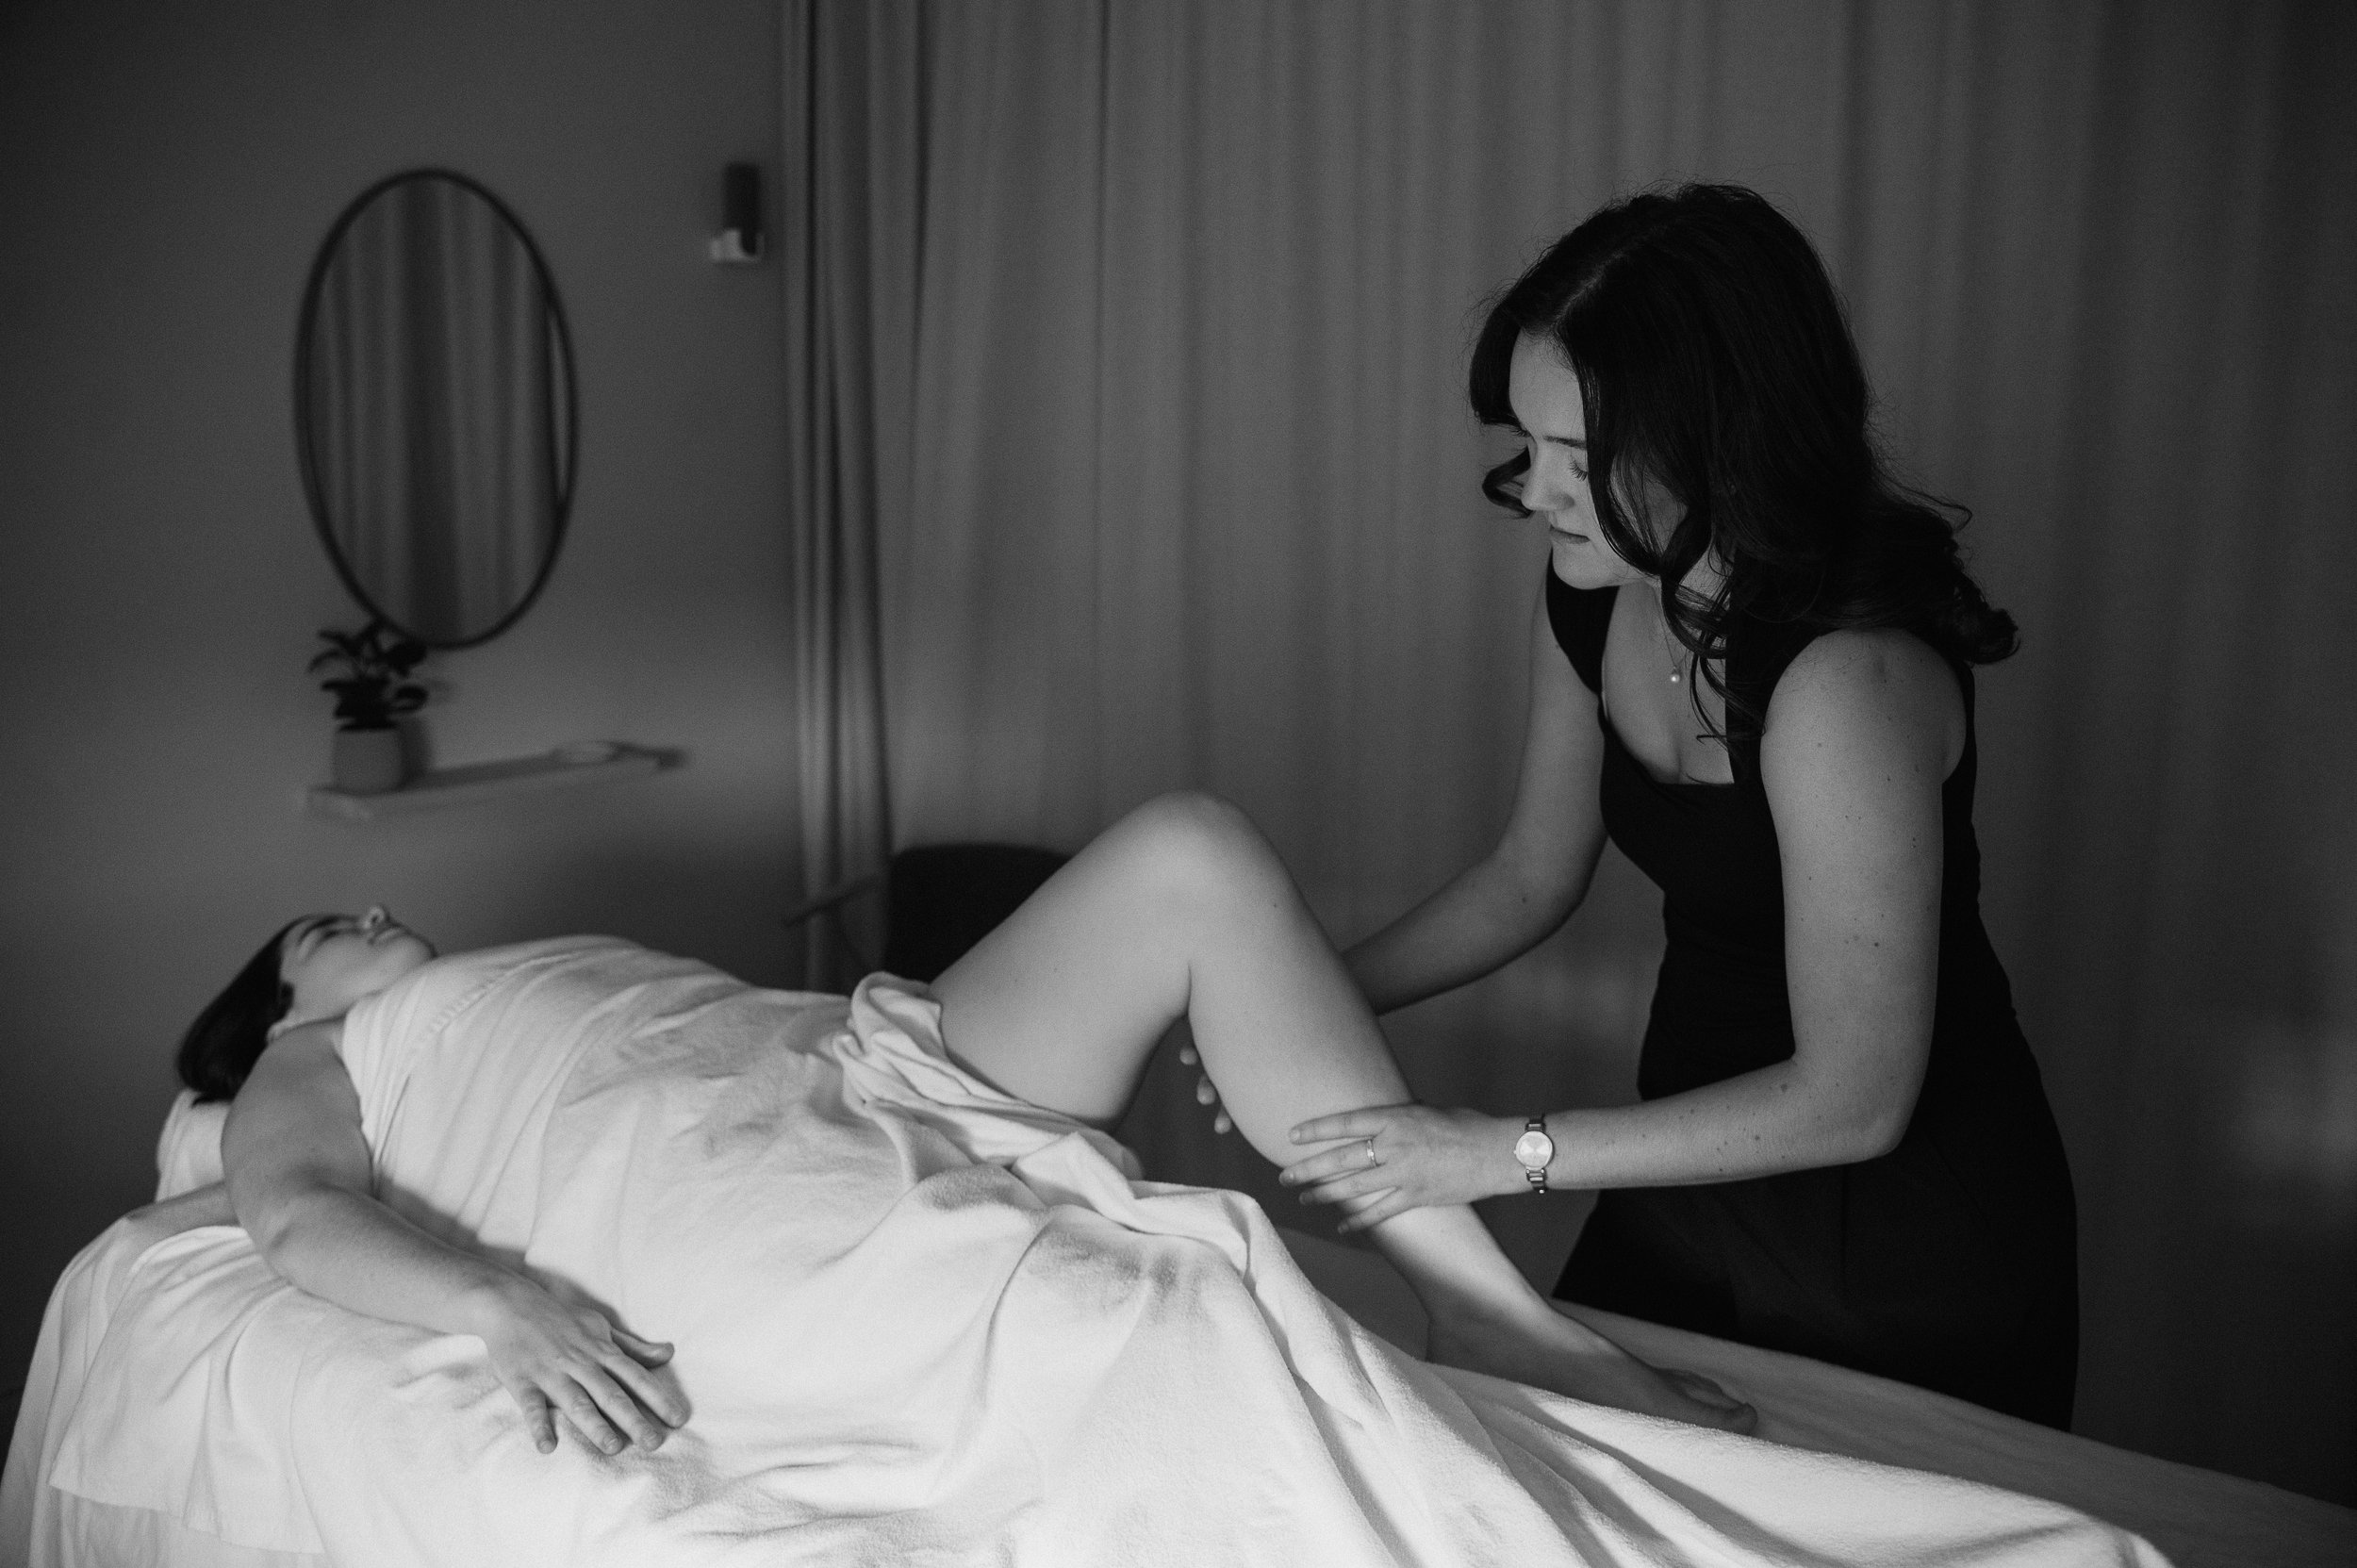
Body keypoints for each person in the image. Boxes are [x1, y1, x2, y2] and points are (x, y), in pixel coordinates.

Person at [184, 793, 1752, 1460]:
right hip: (734, 1167)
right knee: (1129, 1317)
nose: (369, 915)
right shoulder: (312, 1056)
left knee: (1191, 853)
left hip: (857, 1058)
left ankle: (1491, 1314)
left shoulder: (501, 977)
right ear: (270, 1013)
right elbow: (296, 1211)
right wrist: (492, 1302)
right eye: (326, 928)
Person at [1275, 185, 2079, 1428]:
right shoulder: (1595, 588)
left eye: (1579, 460)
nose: (1536, 494)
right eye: (1528, 445)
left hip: (1898, 1231)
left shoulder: (1844, 680)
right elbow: (1528, 878)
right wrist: (1309, 992)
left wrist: (1499, 1152)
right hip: (1685, 1162)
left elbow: (1858, 1097)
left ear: (1723, 443)